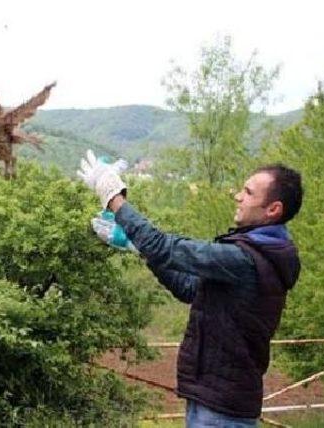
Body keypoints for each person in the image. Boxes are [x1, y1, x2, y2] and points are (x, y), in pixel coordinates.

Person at [77, 150, 303, 427]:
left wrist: (113, 196)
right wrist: (137, 247)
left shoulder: (246, 260)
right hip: (211, 400)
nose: (238, 196)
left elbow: (165, 247)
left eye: (248, 192)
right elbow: (188, 288)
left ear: (273, 209)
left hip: (221, 410)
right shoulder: (255, 256)